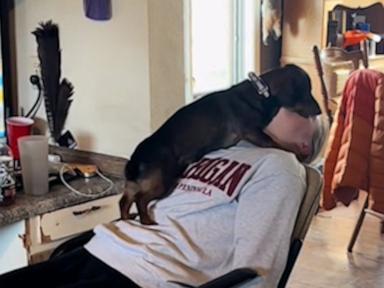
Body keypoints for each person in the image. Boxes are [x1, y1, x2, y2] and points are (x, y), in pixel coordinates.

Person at [0, 108, 327, 288]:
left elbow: (258, 272)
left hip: (152, 276)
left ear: (305, 145)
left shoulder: (280, 167)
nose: (282, 103)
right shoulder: (219, 149)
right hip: (103, 250)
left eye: (299, 109)